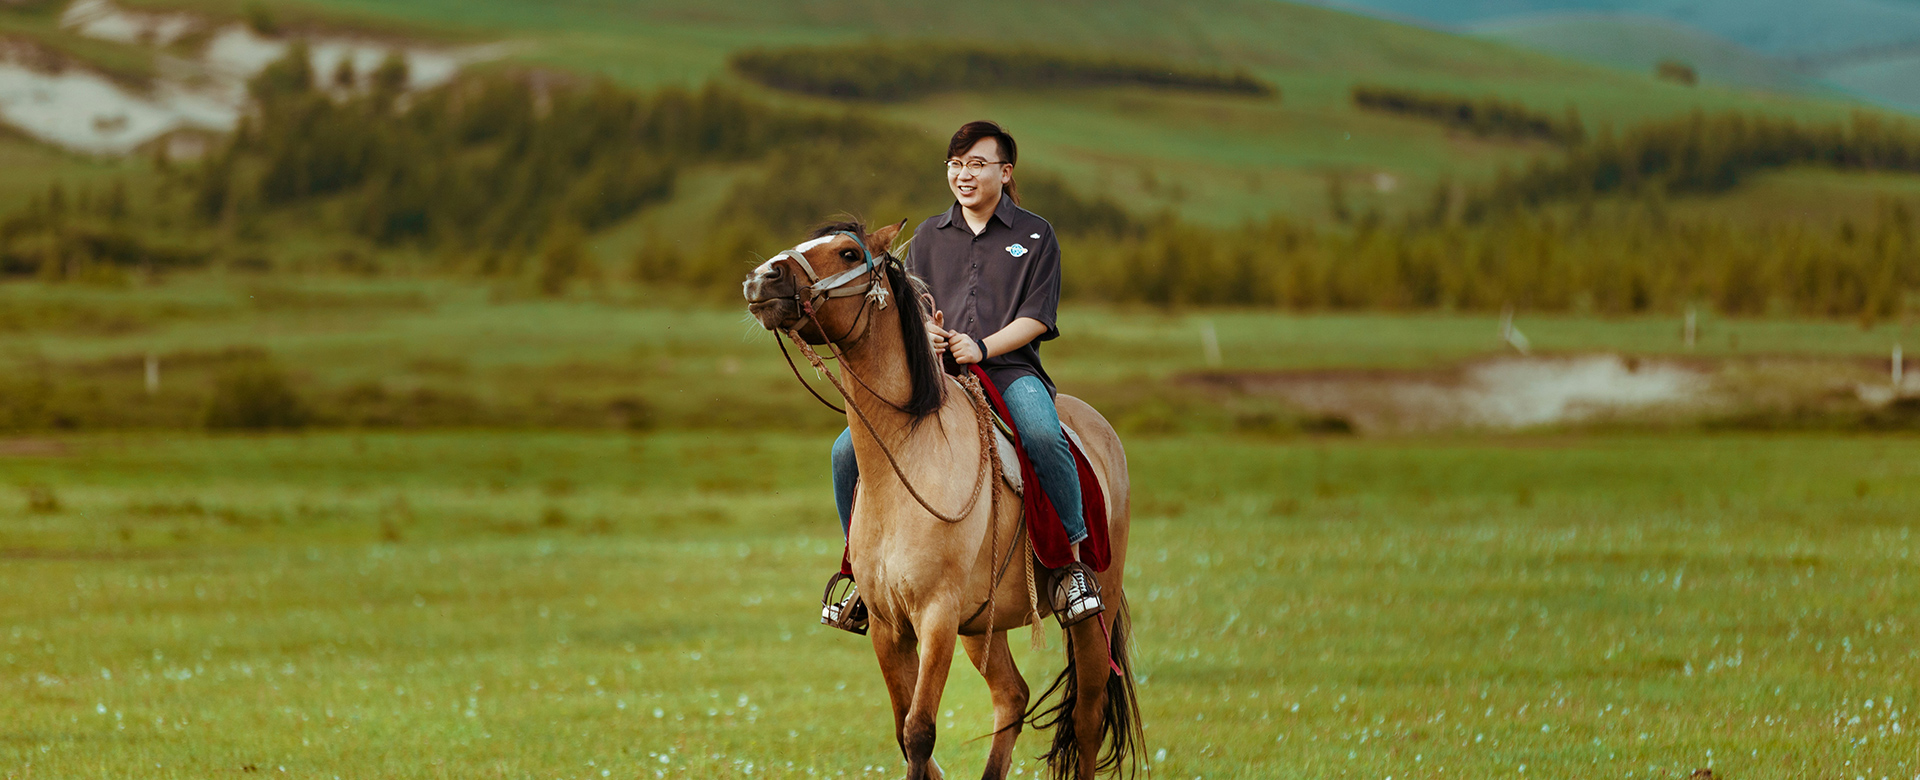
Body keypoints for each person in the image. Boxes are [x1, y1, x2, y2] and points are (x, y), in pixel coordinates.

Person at [824, 120, 1100, 634]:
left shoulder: (1036, 234)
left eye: (976, 164)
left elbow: (1038, 316)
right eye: (955, 165)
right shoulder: (929, 234)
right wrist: (925, 330)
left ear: (1005, 172)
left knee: (1043, 433)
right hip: (938, 374)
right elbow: (911, 306)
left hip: (1010, 369)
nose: (963, 175)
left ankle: (1071, 567)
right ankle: (860, 574)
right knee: (844, 451)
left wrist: (983, 347)